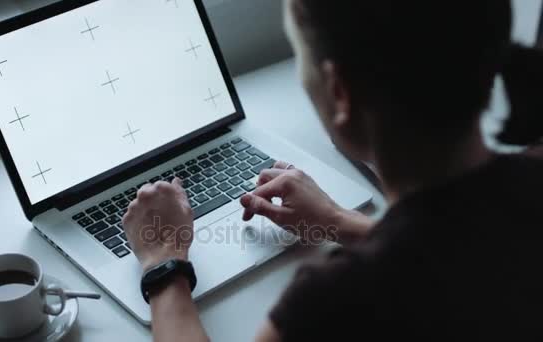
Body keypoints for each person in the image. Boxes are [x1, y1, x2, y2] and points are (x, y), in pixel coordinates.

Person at [122, 0, 543, 340]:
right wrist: (338, 221)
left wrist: (165, 264)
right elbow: (455, 248)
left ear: (339, 93)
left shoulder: (338, 302)